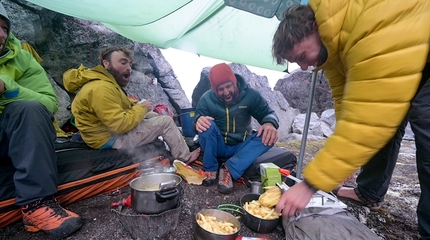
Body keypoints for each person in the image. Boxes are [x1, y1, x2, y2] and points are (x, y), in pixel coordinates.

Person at [271, 1, 430, 238]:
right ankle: (370, 193)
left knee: (425, 126)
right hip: (405, 63)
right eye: (297, 62)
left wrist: (310, 185)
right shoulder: (333, 52)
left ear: (316, 27)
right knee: (386, 125)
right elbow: (348, 110)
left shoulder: (371, 27)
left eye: (303, 56)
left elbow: (369, 116)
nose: (304, 67)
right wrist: (343, 162)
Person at [0, 2, 82, 239]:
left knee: (29, 109)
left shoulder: (22, 59)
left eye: (5, 27)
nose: (1, 34)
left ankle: (36, 205)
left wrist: (8, 88)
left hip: (9, 138)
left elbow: (49, 104)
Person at [63, 46, 200, 163]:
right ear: (106, 63)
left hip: (103, 132)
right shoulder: (101, 88)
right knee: (165, 122)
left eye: (130, 64)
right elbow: (120, 125)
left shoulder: (105, 83)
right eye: (123, 63)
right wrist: (141, 107)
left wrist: (133, 105)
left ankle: (176, 145)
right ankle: (184, 158)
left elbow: (113, 110)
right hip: (109, 139)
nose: (129, 68)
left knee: (152, 114)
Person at [194, 63, 279, 194]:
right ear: (215, 90)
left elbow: (268, 113)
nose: (226, 92)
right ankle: (210, 169)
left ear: (234, 82)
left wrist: (269, 123)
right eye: (220, 89)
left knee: (269, 135)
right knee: (206, 124)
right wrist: (197, 122)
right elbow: (197, 119)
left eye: (228, 86)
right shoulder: (206, 99)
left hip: (242, 146)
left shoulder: (251, 95)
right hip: (218, 145)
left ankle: (229, 168)